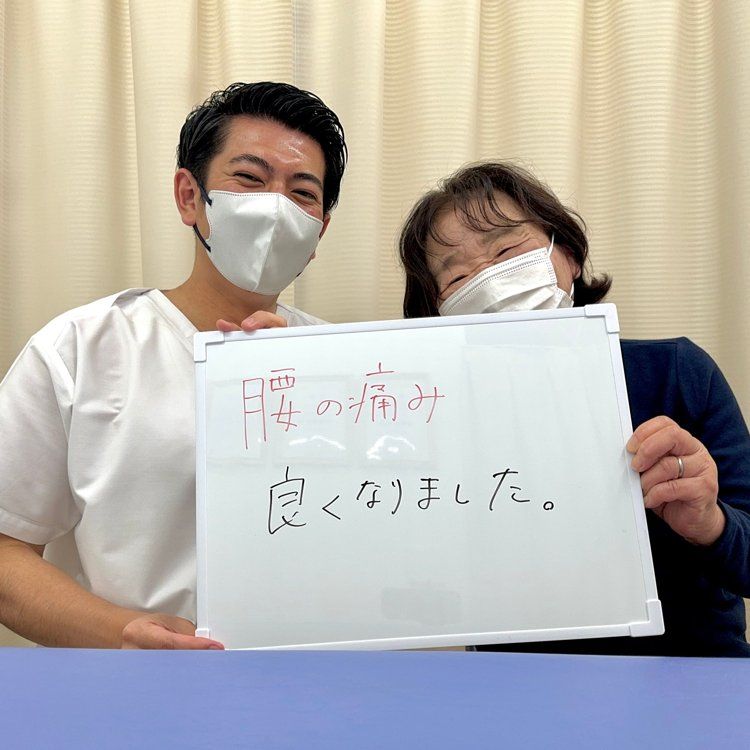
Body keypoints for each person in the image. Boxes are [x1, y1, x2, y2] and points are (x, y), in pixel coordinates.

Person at [0, 82, 347, 649]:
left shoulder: (348, 365)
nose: (277, 206)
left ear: (318, 232)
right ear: (190, 196)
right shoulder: (80, 349)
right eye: (250, 178)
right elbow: (7, 547)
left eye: (302, 193)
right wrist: (122, 634)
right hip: (138, 687)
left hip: (316, 681)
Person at [399, 161, 750, 657]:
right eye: (457, 275)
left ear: (567, 255)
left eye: (506, 251)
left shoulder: (675, 372)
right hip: (521, 682)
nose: (490, 280)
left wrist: (709, 523)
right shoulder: (433, 412)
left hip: (692, 672)